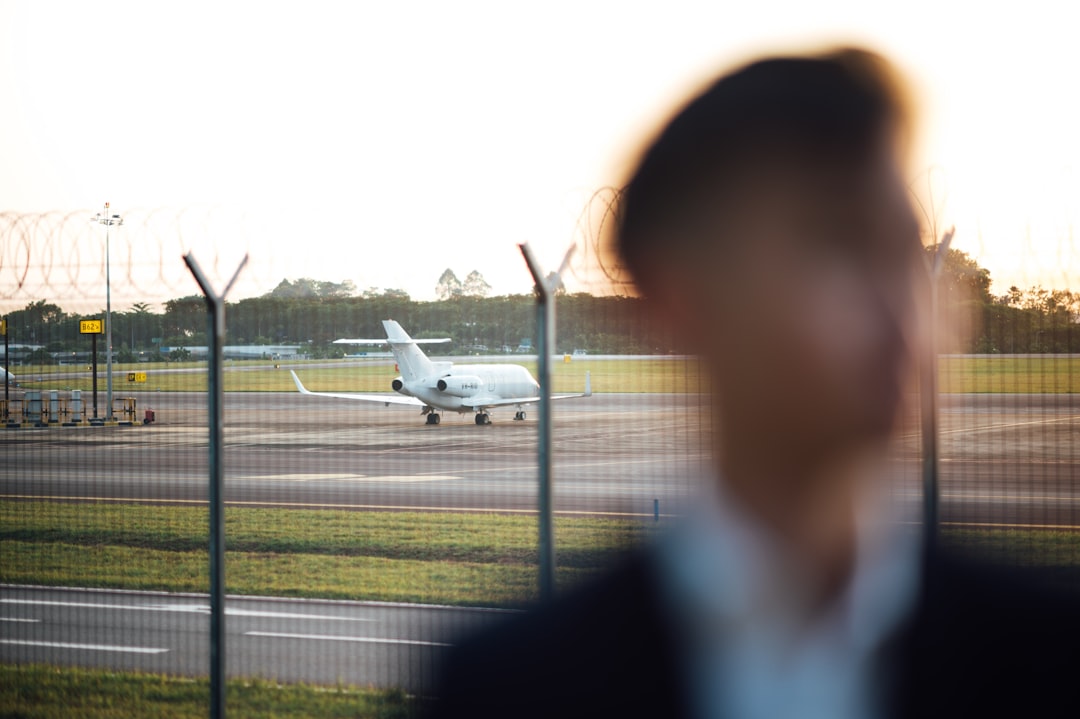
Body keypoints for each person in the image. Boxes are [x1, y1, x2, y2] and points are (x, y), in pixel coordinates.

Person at [427, 48, 1078, 718]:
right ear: (676, 300)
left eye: (903, 253)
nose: (900, 307)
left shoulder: (1054, 652)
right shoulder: (505, 687)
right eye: (838, 246)